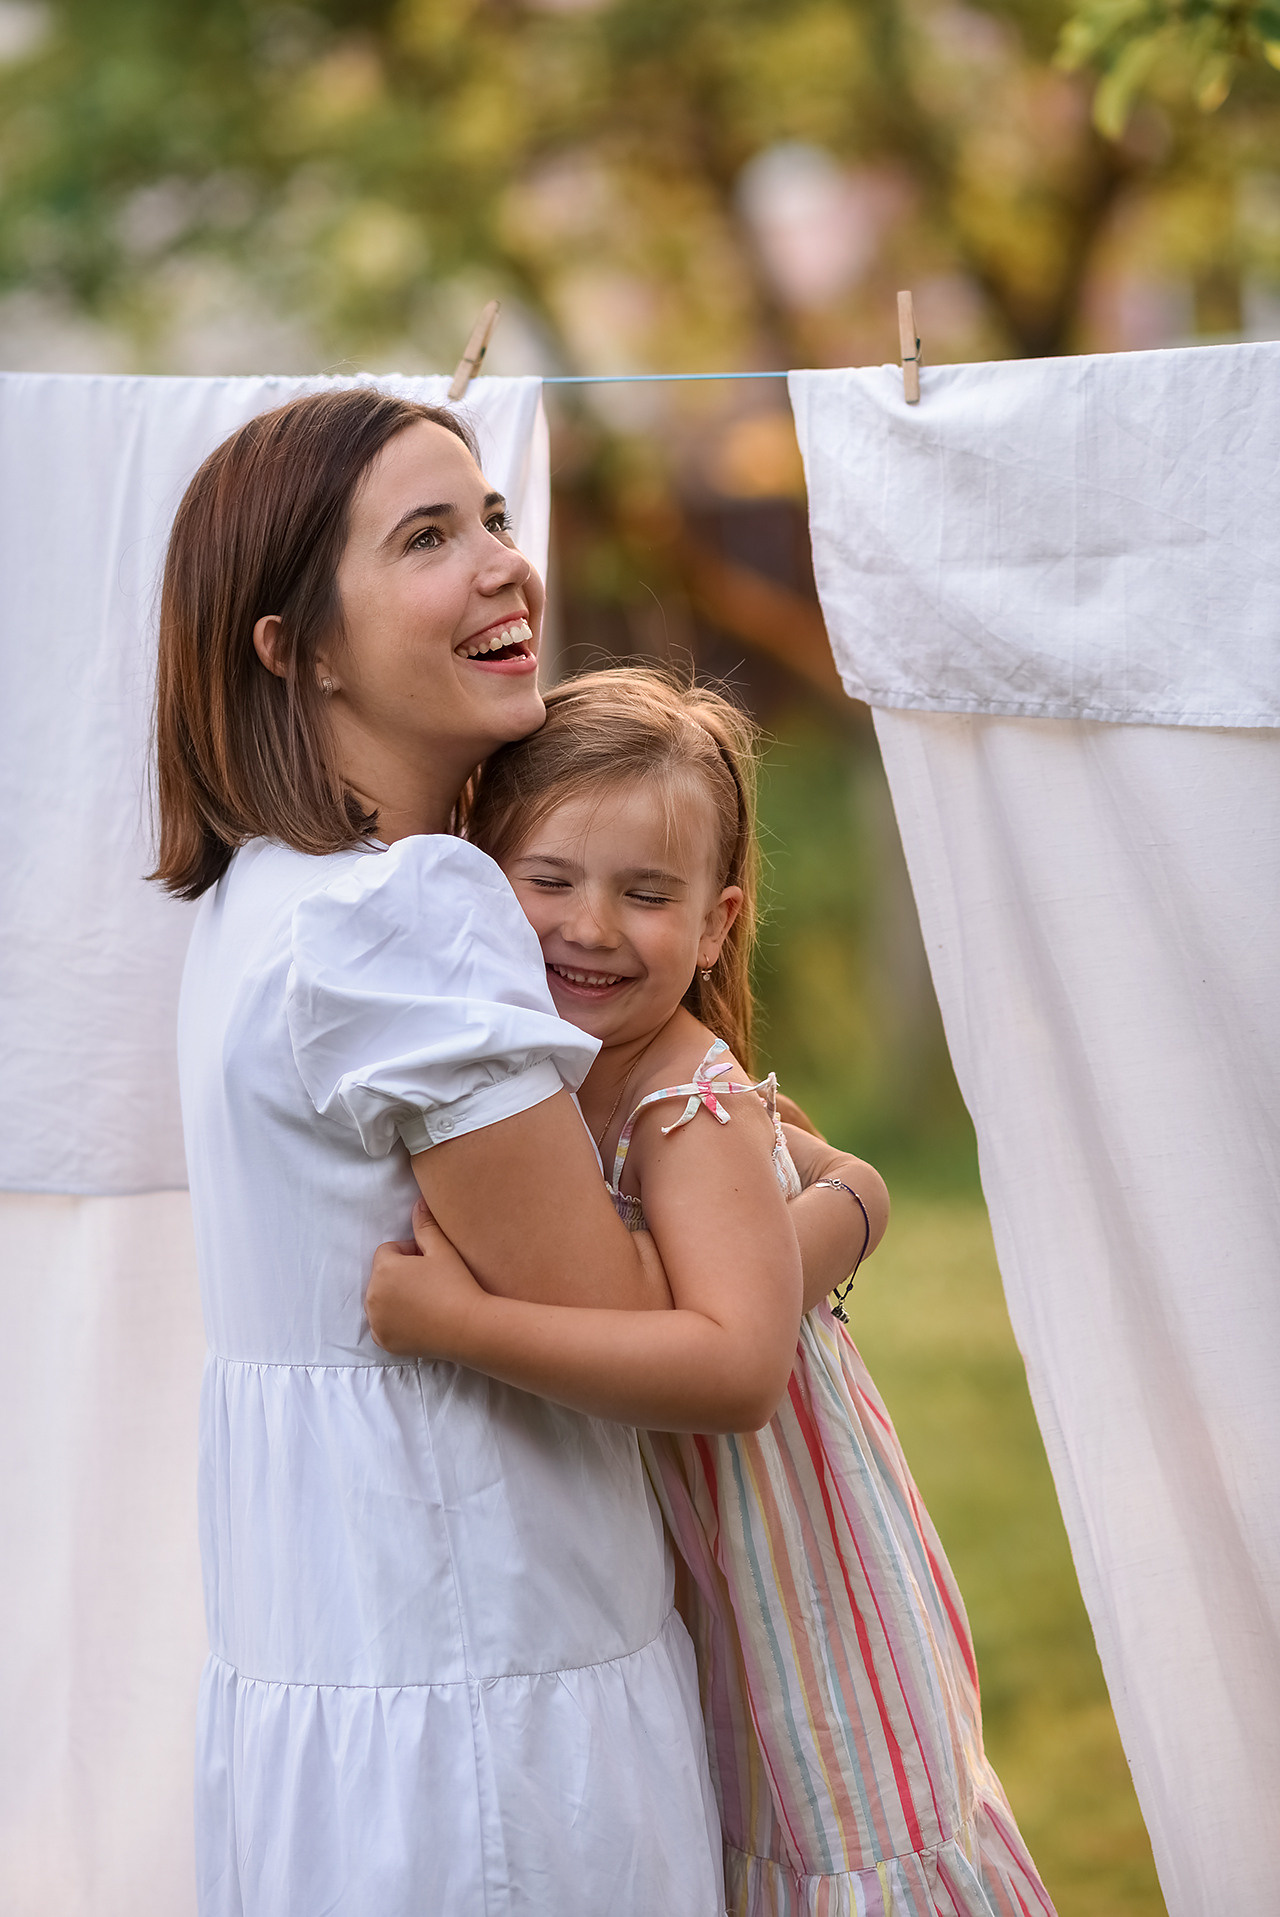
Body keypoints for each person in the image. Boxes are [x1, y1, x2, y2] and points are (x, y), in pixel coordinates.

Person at [153, 391, 735, 1916]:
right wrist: (839, 1206)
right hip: (488, 1702)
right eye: (428, 537)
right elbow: (633, 1327)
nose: (505, 566)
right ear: (300, 647)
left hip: (345, 1679)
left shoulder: (262, 901)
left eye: (491, 517)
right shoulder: (402, 910)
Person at [367, 668, 1057, 1917]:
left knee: (822, 1818)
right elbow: (823, 1189)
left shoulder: (681, 1096)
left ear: (718, 918)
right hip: (670, 1541)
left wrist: (456, 1325)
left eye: (645, 894)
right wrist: (849, 1201)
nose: (588, 926)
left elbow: (735, 1374)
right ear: (478, 878)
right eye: (549, 880)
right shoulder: (543, 1074)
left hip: (776, 1541)